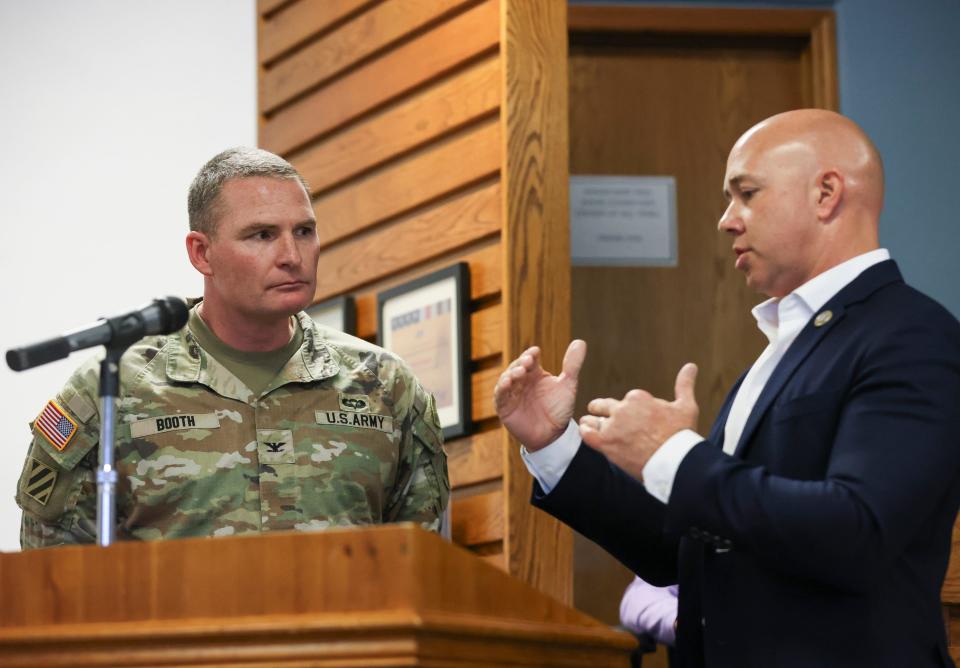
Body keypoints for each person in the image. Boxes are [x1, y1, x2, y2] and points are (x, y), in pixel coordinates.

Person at [494, 110, 960, 667]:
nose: (725, 221)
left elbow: (856, 532)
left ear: (826, 193)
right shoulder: (782, 349)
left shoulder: (911, 335)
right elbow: (683, 552)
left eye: (746, 193)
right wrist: (554, 446)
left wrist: (673, 456)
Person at [17, 147, 449, 548]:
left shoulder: (385, 385)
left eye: (304, 231)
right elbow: (53, 568)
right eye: (262, 235)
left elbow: (426, 562)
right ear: (202, 253)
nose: (292, 256)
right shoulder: (115, 387)